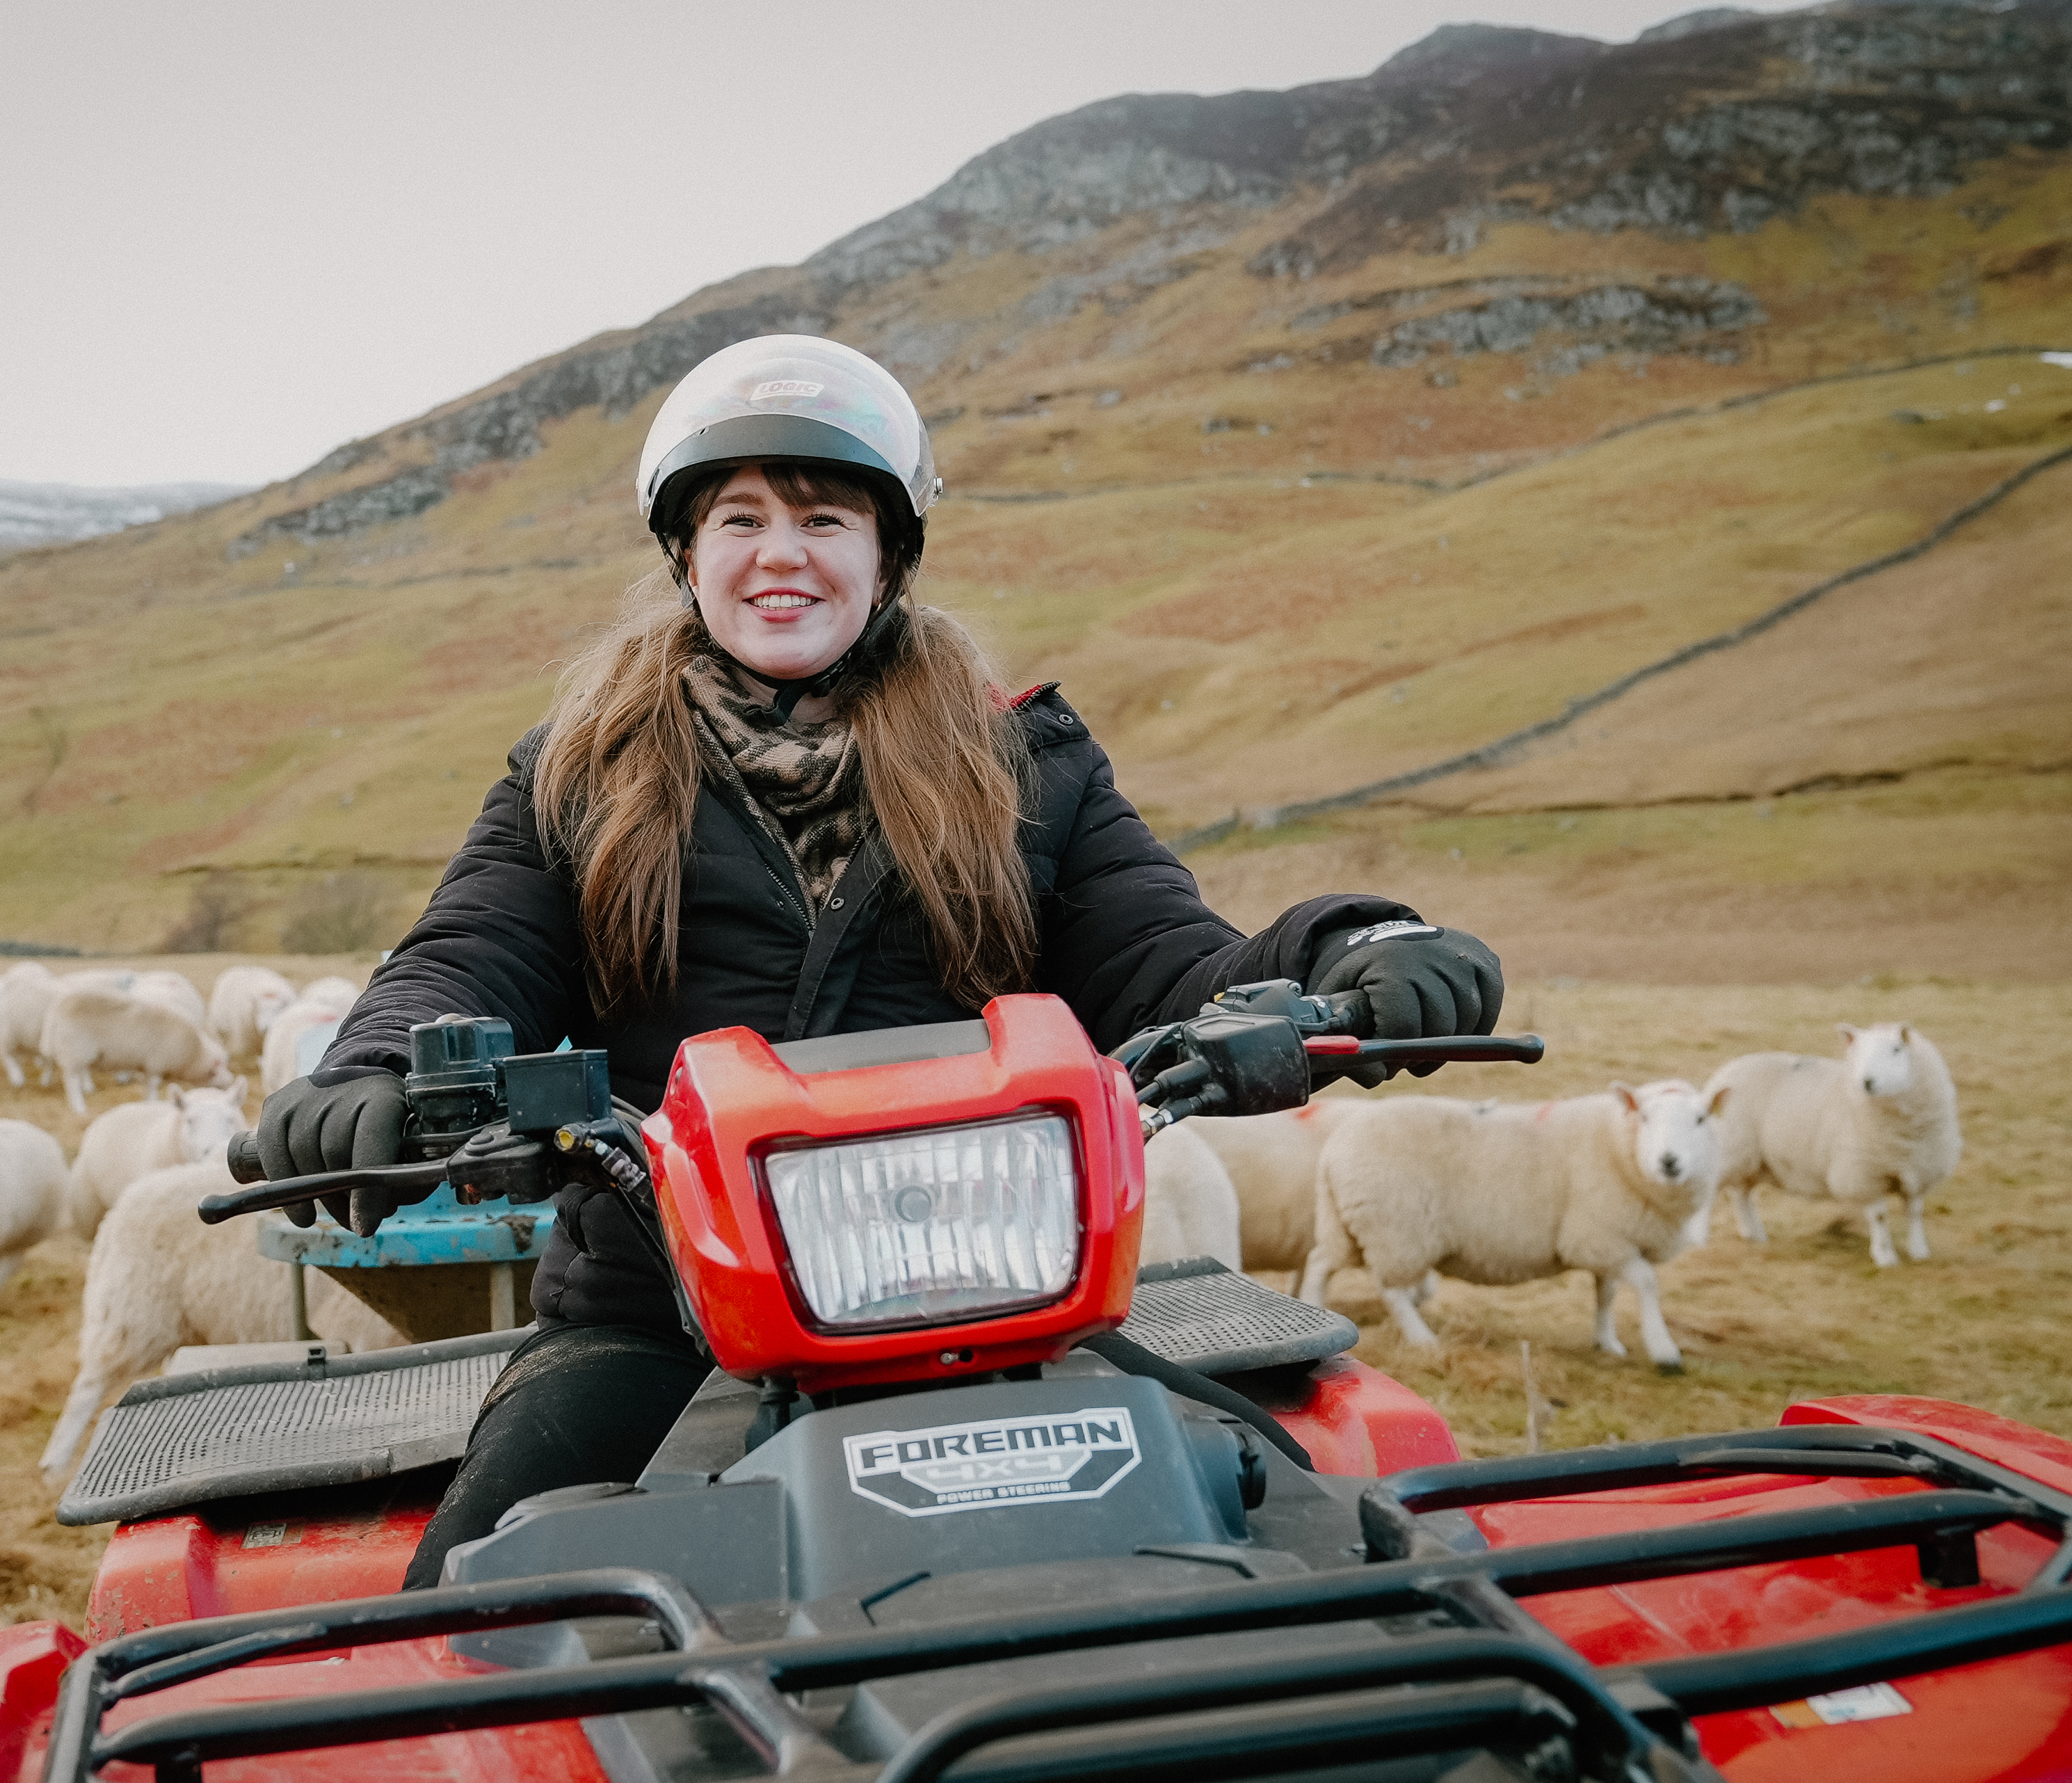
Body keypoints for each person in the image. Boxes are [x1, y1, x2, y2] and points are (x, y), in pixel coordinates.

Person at [254, 335, 1503, 1587]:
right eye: (737, 517)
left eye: (823, 516)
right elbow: (468, 956)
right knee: (474, 1604)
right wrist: (366, 1070)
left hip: (997, 1301)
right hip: (660, 1309)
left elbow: (1167, 956)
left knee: (1299, 1560)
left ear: (887, 553)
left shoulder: (1026, 763)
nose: (780, 552)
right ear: (686, 555)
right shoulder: (573, 774)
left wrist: (1352, 943)